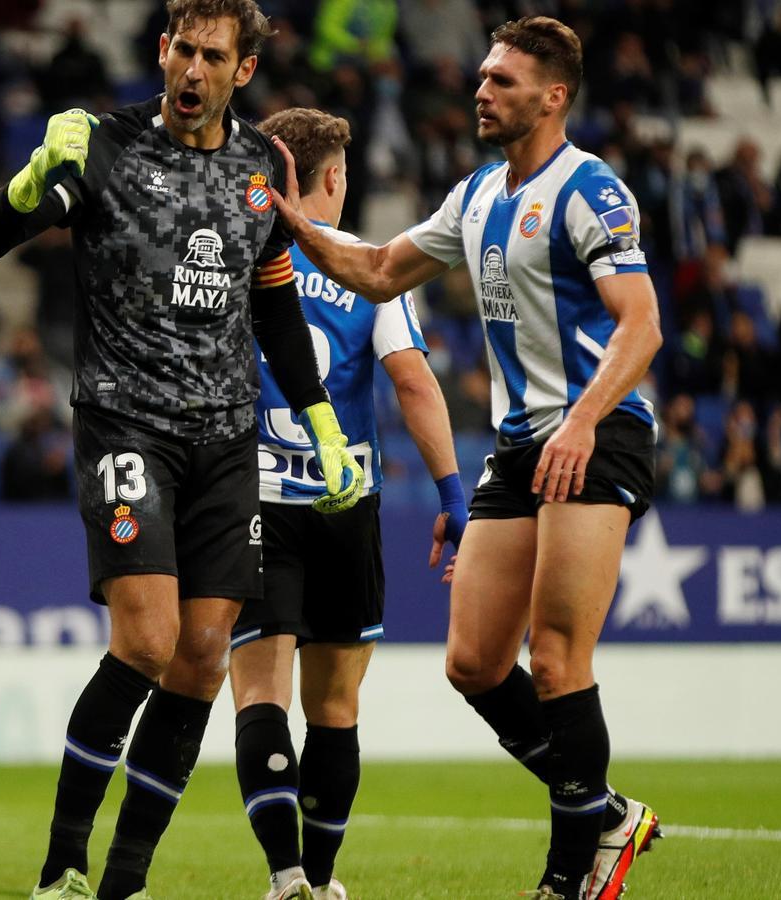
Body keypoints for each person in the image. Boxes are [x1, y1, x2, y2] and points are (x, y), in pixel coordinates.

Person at [0, 3, 365, 898]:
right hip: (126, 421)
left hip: (226, 439)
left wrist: (321, 420)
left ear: (243, 72)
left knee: (202, 657)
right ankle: (63, 864)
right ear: (161, 51)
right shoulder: (101, 145)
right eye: (181, 49)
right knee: (145, 641)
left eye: (211, 56)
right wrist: (35, 177)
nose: (191, 69)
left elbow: (274, 306)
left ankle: (124, 880)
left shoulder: (264, 168)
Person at [264, 17, 663, 900]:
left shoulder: (592, 193)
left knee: (558, 656)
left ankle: (570, 878)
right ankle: (605, 813)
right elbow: (375, 271)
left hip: (595, 432)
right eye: (482, 76)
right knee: (475, 663)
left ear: (554, 96)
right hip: (522, 444)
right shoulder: (478, 195)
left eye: (504, 81)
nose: (481, 91)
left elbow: (643, 326)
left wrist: (583, 421)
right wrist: (291, 222)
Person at [228, 107, 466, 900]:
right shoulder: (370, 266)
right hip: (344, 504)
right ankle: (323, 880)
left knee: (261, 693)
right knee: (335, 706)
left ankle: (286, 874)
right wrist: (449, 489)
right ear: (333, 178)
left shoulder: (232, 256)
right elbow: (411, 381)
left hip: (253, 500)